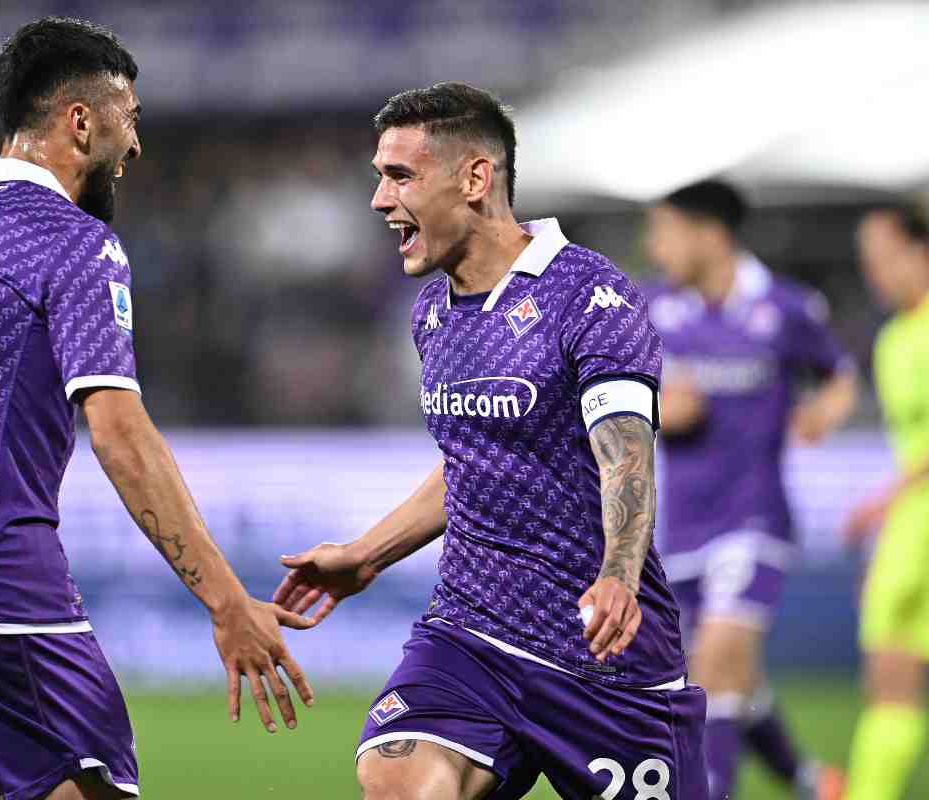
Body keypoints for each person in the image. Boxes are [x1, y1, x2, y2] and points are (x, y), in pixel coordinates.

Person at [0, 17, 312, 800]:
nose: (136, 146)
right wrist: (227, 601)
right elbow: (120, 436)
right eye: (129, 118)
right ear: (80, 121)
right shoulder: (72, 240)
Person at [273, 82, 707, 800]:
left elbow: (626, 455)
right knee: (397, 778)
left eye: (400, 176)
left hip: (599, 650)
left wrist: (619, 575)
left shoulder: (588, 296)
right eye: (380, 177)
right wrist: (367, 554)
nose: (380, 200)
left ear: (475, 178)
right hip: (471, 635)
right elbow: (473, 462)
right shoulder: (433, 312)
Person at [644, 180, 856, 800]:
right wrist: (657, 408)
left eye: (665, 232)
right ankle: (810, 781)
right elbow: (610, 394)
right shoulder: (651, 307)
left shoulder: (784, 307)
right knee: (729, 677)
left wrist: (823, 413)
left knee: (715, 670)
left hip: (754, 519)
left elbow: (839, 373)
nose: (656, 248)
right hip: (680, 527)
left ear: (709, 234)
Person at [841, 205, 929, 800]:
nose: (874, 272)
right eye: (867, 261)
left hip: (910, 516)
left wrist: (881, 507)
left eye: (884, 256)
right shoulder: (894, 339)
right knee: (891, 678)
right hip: (913, 522)